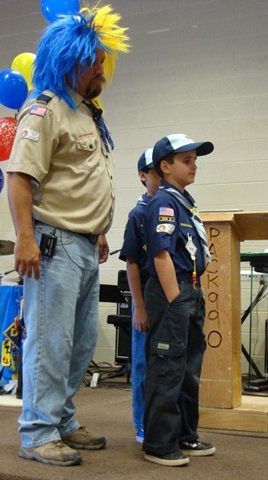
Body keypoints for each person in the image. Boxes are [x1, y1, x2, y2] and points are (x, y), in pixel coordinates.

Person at [6, 5, 129, 467]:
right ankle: (37, 432)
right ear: (69, 59)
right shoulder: (45, 110)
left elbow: (82, 180)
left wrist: (97, 230)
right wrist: (24, 238)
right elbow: (20, 177)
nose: (102, 67)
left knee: (78, 344)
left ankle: (62, 421)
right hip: (52, 245)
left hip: (82, 244)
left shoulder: (88, 113)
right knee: (49, 342)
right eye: (94, 59)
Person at [142, 133, 216, 467]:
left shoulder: (185, 201)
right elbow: (160, 255)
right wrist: (174, 301)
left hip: (190, 289)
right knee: (168, 368)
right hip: (173, 292)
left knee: (188, 370)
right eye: (186, 161)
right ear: (165, 166)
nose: (193, 166)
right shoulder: (163, 202)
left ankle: (185, 434)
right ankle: (158, 443)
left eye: (195, 160)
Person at [119, 148, 161, 444]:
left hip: (168, 297)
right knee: (143, 362)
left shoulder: (172, 207)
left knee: (165, 362)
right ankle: (142, 423)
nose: (161, 178)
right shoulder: (139, 214)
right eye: (156, 173)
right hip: (145, 295)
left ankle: (163, 420)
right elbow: (132, 262)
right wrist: (139, 308)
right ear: (143, 176)